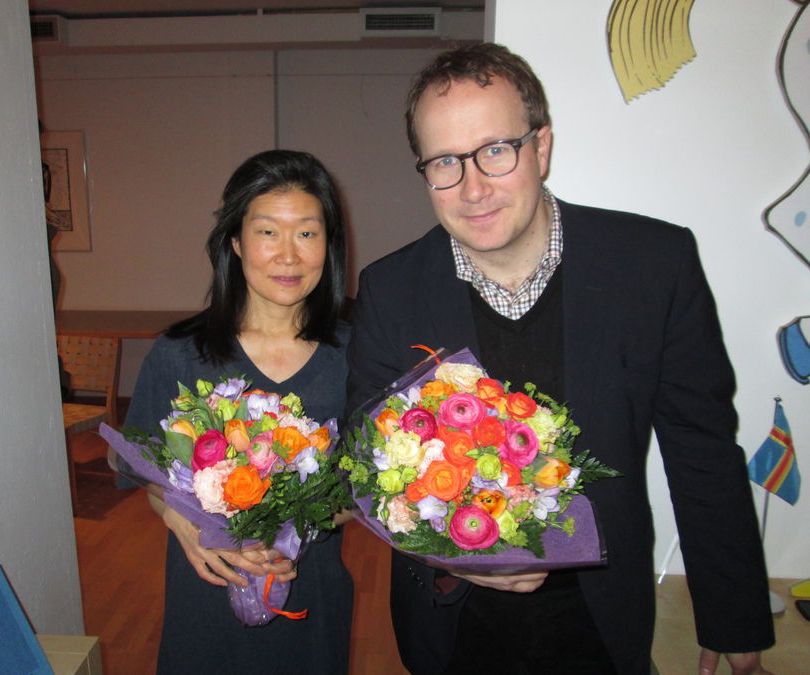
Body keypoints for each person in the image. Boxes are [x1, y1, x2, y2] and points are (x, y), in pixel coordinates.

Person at [346, 43, 774, 674]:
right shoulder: (391, 290)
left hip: (602, 617)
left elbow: (701, 450)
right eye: (445, 162)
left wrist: (733, 618)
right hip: (456, 627)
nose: (473, 188)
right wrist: (447, 554)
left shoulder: (653, 265)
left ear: (541, 148)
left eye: (496, 150)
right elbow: (362, 463)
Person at [125, 150, 353, 673]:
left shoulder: (355, 355)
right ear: (235, 241)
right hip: (207, 588)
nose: (288, 256)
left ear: (329, 244)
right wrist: (181, 519)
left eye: (307, 233)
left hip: (310, 594)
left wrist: (292, 526)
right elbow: (145, 469)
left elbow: (367, 490)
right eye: (268, 232)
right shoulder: (179, 354)